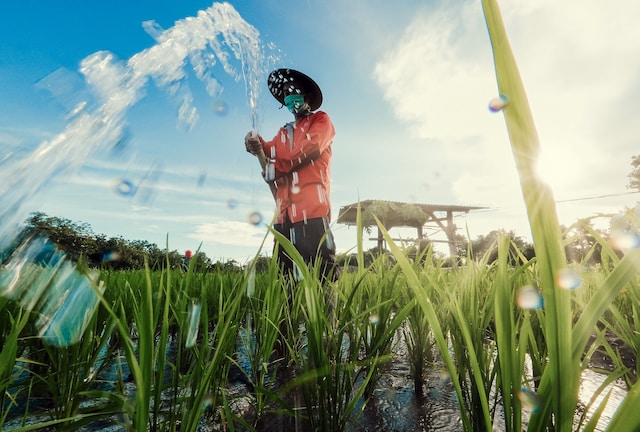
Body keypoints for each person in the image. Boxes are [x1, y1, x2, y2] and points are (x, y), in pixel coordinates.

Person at [244, 68, 339, 283]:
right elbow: (269, 150)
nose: (289, 96)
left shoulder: (321, 121)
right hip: (284, 216)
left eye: (293, 91)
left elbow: (311, 149)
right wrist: (255, 144)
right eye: (285, 93)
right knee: (285, 279)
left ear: (306, 96)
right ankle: (289, 317)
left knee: (320, 277)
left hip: (311, 213)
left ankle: (325, 317)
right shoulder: (283, 133)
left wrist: (276, 169)